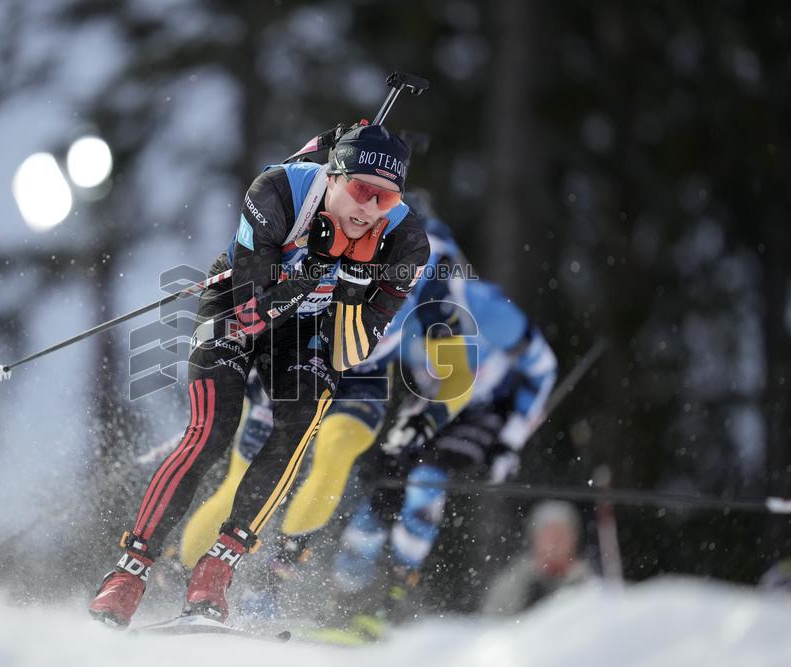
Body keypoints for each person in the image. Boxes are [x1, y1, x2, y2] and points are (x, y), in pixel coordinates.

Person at [88, 123, 430, 628]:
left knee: (299, 425)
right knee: (212, 431)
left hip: (309, 327)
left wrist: (355, 280)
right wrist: (315, 264)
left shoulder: (404, 241)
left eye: (385, 197)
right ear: (333, 176)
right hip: (237, 305)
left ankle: (216, 571)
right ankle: (129, 573)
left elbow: (348, 352)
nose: (368, 209)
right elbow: (251, 315)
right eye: (360, 189)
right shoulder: (277, 191)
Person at [328, 264, 559, 625]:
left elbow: (543, 370)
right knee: (382, 487)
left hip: (484, 410)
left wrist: (511, 441)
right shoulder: (385, 307)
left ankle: (388, 604)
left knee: (424, 481)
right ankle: (344, 597)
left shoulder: (487, 308)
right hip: (433, 404)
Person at [480, 500, 594, 615]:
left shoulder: (590, 584)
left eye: (562, 534)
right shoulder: (513, 583)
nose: (555, 542)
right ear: (534, 539)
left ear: (574, 539)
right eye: (549, 535)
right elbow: (493, 623)